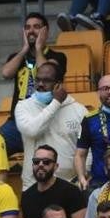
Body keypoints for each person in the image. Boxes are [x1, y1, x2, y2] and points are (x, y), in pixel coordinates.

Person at [13, 62, 86, 191]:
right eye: (38, 80)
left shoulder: (79, 110)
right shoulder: (23, 107)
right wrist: (56, 102)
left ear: (59, 83)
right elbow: (32, 131)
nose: (40, 84)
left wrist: (84, 173)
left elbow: (87, 147)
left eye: (46, 81)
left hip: (70, 185)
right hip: (34, 186)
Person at [0, 12, 69, 123]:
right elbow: (6, 73)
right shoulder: (17, 57)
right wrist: (24, 49)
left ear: (45, 32)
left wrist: (38, 49)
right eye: (27, 28)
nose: (31, 31)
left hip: (45, 117)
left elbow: (47, 71)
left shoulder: (58, 56)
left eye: (36, 27)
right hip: (17, 120)